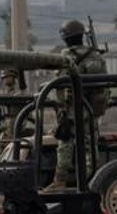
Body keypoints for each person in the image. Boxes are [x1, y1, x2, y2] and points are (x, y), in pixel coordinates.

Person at [41, 19, 107, 193]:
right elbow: (103, 83)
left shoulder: (65, 57)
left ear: (65, 38)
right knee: (90, 144)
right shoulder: (96, 56)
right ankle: (92, 181)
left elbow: (61, 84)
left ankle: (59, 181)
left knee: (65, 143)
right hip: (91, 107)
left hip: (71, 108)